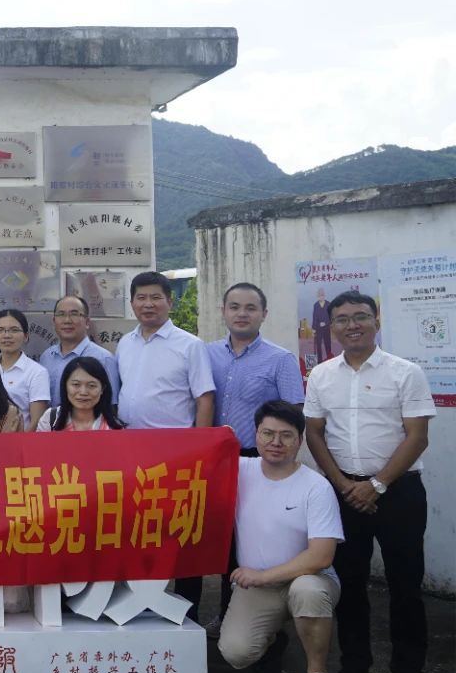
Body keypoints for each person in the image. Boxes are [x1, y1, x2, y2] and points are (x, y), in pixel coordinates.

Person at [304, 290, 437, 673]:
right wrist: (343, 484)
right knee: (350, 583)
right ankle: (355, 668)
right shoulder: (321, 375)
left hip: (399, 492)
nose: (352, 325)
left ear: (376, 321)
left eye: (360, 316)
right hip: (344, 492)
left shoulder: (406, 372)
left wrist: (376, 484)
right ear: (332, 327)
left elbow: (417, 437)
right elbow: (314, 434)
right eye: (342, 319)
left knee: (405, 586)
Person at [218, 400, 344, 673]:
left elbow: (321, 555)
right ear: (256, 435)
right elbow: (192, 462)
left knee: (307, 592)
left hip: (308, 578)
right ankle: (274, 638)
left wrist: (262, 576)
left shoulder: (316, 487)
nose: (276, 442)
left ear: (300, 440)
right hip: (259, 586)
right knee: (236, 653)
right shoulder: (239, 470)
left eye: (286, 435)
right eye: (268, 433)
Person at [204, 282, 305, 637]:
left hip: (259, 459)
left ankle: (269, 623)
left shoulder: (280, 359)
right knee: (223, 540)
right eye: (234, 307)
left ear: (264, 314)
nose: (242, 314)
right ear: (223, 311)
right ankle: (226, 614)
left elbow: (294, 416)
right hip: (215, 460)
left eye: (250, 307)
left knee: (256, 538)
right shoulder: (206, 354)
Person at [115, 271, 215, 620]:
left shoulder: (190, 345)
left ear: (170, 302)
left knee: (181, 536)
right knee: (139, 533)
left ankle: (188, 614)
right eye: (141, 298)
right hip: (132, 456)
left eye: (156, 297)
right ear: (132, 303)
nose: (148, 304)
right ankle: (141, 607)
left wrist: (201, 451)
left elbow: (204, 398)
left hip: (177, 458)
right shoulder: (125, 344)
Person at [37, 295, 120, 406]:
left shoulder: (103, 358)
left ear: (87, 322)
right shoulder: (47, 356)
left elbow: (112, 405)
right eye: (61, 314)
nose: (67, 320)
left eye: (74, 314)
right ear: (54, 321)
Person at [0, 309, 50, 430]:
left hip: (21, 438)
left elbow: (37, 421)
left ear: (26, 336)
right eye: (0, 330)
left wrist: (21, 441)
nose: (7, 335)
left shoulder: (37, 372)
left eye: (14, 330)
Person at [38, 356, 126, 432]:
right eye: (76, 384)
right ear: (65, 386)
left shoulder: (114, 427)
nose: (83, 392)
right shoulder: (51, 418)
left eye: (91, 385)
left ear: (102, 388)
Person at [311, 287, 332, 363]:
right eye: (319, 296)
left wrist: (325, 323)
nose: (321, 297)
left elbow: (331, 316)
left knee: (327, 344)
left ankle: (330, 359)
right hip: (318, 328)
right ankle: (319, 362)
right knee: (318, 346)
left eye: (322, 295)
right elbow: (314, 317)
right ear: (317, 296)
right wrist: (313, 329)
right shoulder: (316, 305)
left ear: (324, 296)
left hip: (326, 328)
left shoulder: (328, 304)